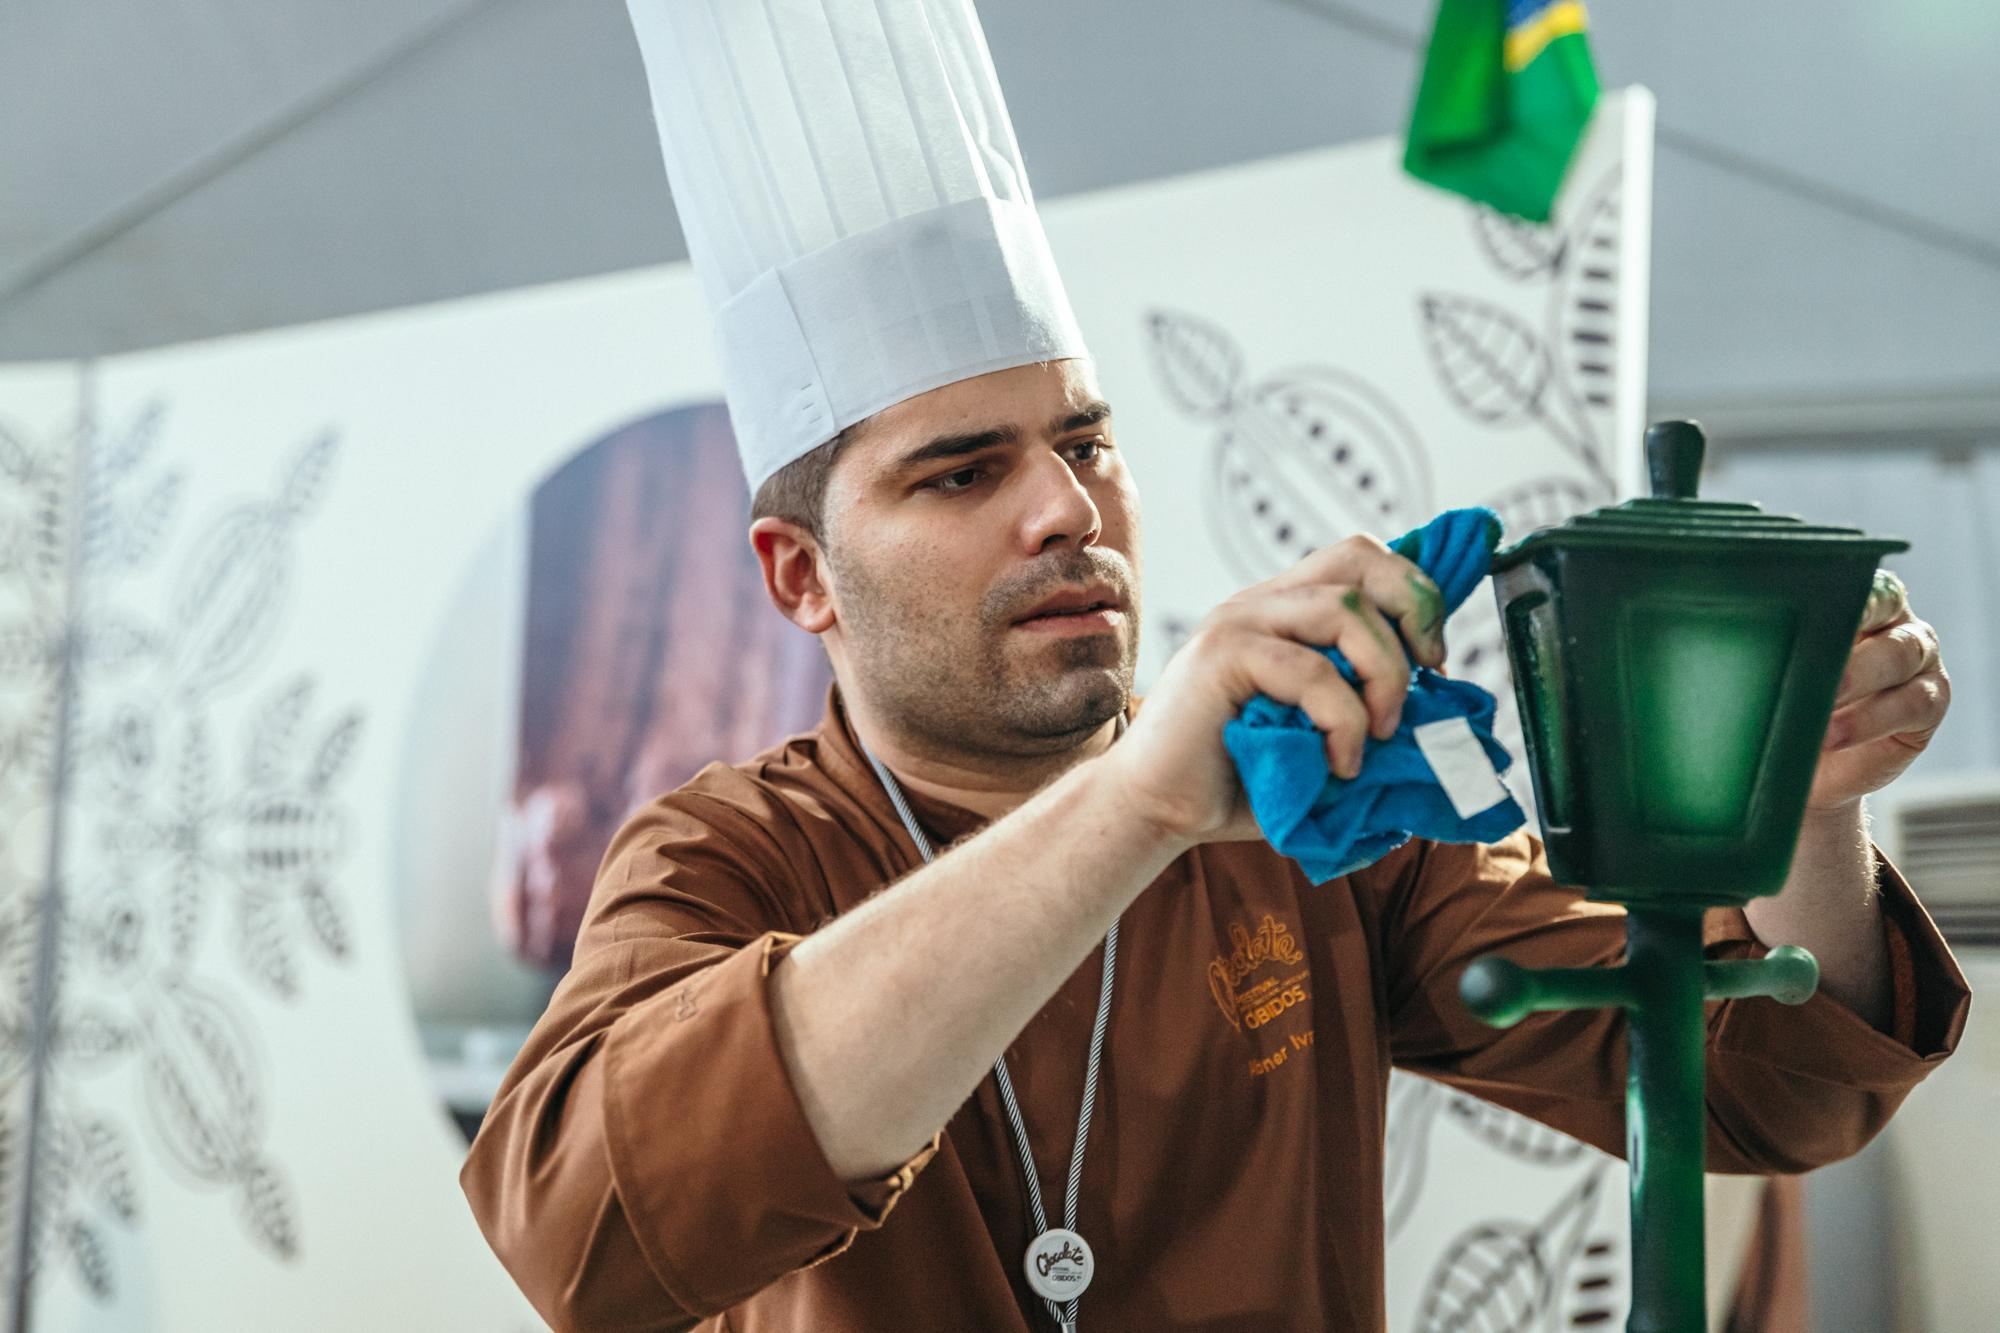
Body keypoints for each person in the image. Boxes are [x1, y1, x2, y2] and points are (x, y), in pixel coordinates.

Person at [460, 4, 1969, 1331]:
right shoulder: (730, 856)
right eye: (961, 474)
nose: (1065, 506)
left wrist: (1815, 801)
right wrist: (1130, 810)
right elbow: (587, 1241)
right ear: (801, 577)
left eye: (1085, 442)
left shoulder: (1320, 822)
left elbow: (1767, 1082)